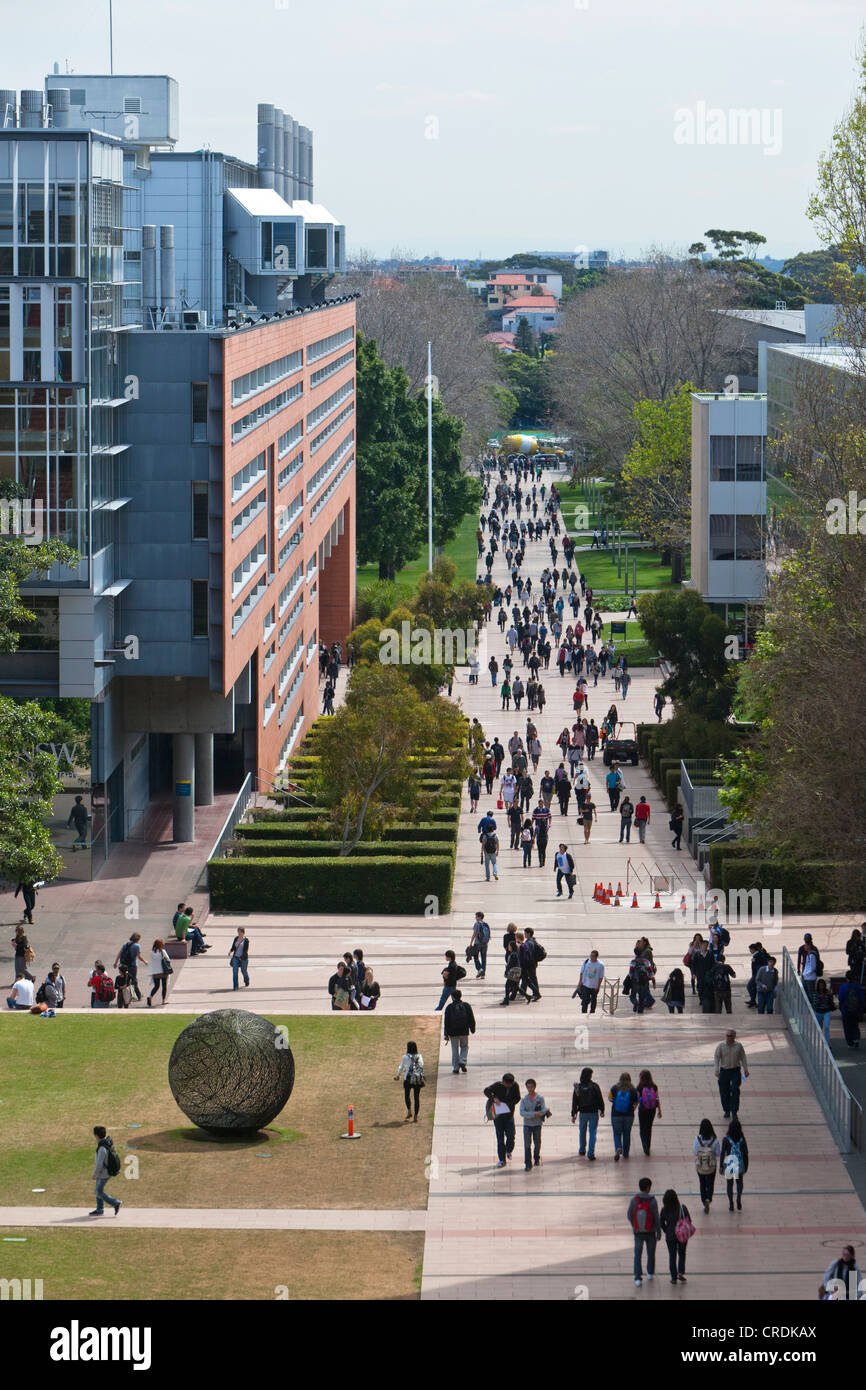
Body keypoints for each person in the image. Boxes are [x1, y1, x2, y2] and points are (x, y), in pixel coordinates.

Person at [629, 1177, 660, 1287]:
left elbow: (629, 1215)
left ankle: (638, 1278)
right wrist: (658, 1231)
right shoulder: (652, 1201)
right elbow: (656, 1217)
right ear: (648, 1188)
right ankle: (650, 1272)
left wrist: (634, 1226)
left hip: (638, 1232)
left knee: (637, 1254)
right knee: (651, 1253)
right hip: (650, 1232)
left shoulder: (634, 1200)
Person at [484, 1073, 521, 1166]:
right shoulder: (497, 1085)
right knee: (500, 1138)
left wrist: (509, 1104)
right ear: (503, 1082)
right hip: (498, 1116)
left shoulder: (515, 1086)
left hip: (509, 1115)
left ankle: (508, 1150)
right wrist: (494, 1098)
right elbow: (486, 1091)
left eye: (510, 1084)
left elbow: (518, 1098)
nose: (508, 1086)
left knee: (511, 1135)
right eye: (507, 1084)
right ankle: (502, 1160)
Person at [571, 1066, 605, 1158]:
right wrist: (602, 1110)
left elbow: (575, 1101)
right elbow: (600, 1099)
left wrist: (574, 1114)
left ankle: (582, 1150)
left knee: (582, 1131)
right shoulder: (594, 1086)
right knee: (592, 1132)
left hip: (583, 1113)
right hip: (593, 1112)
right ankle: (591, 1153)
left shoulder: (578, 1087)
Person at [660, 1189, 692, 1284]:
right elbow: (689, 1220)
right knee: (682, 1253)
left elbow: (661, 1222)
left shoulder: (664, 1209)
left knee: (672, 1256)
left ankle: (673, 1277)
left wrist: (667, 1230)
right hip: (682, 1235)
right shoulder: (682, 1208)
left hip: (670, 1235)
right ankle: (681, 1272)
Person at [714, 1029, 748, 1118]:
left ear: (734, 1037)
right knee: (724, 1092)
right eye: (726, 1035)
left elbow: (743, 1057)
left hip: (735, 1071)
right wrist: (716, 1070)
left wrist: (746, 1069)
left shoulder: (738, 1046)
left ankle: (734, 1111)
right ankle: (727, 1110)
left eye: (729, 1036)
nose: (727, 1038)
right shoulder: (721, 1046)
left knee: (735, 1090)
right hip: (724, 1071)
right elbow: (717, 1058)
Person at [89, 1125, 122, 1217]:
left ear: (96, 1135)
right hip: (104, 1172)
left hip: (103, 1173)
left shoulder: (102, 1148)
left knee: (98, 1192)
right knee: (98, 1190)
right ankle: (100, 1209)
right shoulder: (106, 1143)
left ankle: (116, 1203)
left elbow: (99, 1164)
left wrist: (95, 1174)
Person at [519, 1078, 550, 1170]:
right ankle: (528, 1163)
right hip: (527, 1125)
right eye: (528, 1087)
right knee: (527, 1144)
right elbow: (522, 1112)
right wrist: (533, 1114)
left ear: (534, 1087)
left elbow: (543, 1110)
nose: (530, 1089)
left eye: (531, 1087)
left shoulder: (540, 1098)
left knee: (537, 1143)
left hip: (537, 1124)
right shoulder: (524, 1099)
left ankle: (536, 1158)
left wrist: (542, 1112)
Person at [443, 989, 476, 1073]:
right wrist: (472, 1028)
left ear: (452, 997)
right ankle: (462, 1061)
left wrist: (446, 1034)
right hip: (464, 1031)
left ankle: (456, 1068)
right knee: (464, 1046)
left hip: (453, 1032)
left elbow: (446, 1021)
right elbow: (471, 1018)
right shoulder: (466, 1005)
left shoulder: (449, 1007)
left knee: (454, 1049)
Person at [609, 1072, 639, 1160]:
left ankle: (618, 1147)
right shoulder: (633, 1089)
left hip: (616, 1115)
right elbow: (636, 1101)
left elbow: (610, 1098)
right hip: (629, 1115)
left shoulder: (615, 1088)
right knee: (627, 1133)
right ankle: (626, 1153)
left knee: (617, 1133)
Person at [721, 1118, 748, 1211]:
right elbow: (745, 1153)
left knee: (729, 1184)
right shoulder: (742, 1140)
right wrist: (746, 1165)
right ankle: (738, 1198)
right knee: (739, 1182)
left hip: (730, 1163)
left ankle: (731, 1203)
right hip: (739, 1163)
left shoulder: (726, 1139)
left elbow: (722, 1153)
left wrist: (721, 1165)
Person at [694, 1118, 720, 1213]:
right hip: (711, 1166)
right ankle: (709, 1199)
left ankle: (703, 1201)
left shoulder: (697, 1139)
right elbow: (718, 1153)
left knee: (702, 1183)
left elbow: (695, 1152)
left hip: (700, 1166)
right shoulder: (715, 1140)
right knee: (710, 1183)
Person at [395, 1042, 424, 1122]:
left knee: (407, 1095)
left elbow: (401, 1067)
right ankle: (415, 1116)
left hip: (407, 1079)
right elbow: (421, 1065)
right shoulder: (419, 1056)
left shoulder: (405, 1057)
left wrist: (398, 1075)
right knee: (416, 1098)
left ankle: (409, 1111)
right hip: (417, 1078)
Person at [636, 1070, 662, 1155]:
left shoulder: (640, 1087)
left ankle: (644, 1144)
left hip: (643, 1110)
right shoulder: (654, 1086)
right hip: (652, 1110)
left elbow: (637, 1100)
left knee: (642, 1128)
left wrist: (633, 1109)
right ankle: (648, 1146)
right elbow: (657, 1099)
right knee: (649, 1128)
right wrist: (659, 1111)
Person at [838, 970, 865, 1048]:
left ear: (847, 978)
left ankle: (850, 1042)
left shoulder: (844, 987)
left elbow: (840, 998)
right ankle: (856, 1039)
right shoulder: (858, 987)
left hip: (845, 1010)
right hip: (856, 1010)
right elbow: (861, 999)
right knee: (855, 1025)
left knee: (847, 1027)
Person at [114, 933, 143, 1001]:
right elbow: (139, 956)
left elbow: (119, 953)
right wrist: (145, 961)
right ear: (138, 939)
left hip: (123, 965)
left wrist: (115, 963)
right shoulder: (137, 946)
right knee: (133, 981)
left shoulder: (125, 944)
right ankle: (137, 996)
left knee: (124, 980)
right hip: (132, 966)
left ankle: (126, 996)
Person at [518, 928, 542, 1003]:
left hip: (530, 964)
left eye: (525, 933)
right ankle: (523, 991)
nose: (524, 934)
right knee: (527, 978)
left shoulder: (529, 943)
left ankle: (536, 993)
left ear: (528, 934)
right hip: (532, 963)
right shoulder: (531, 941)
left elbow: (528, 954)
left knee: (532, 979)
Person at [147, 939, 171, 1006]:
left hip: (155, 972)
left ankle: (150, 997)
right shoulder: (162, 951)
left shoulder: (152, 952)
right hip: (163, 972)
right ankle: (163, 1000)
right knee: (164, 986)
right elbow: (168, 959)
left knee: (156, 986)